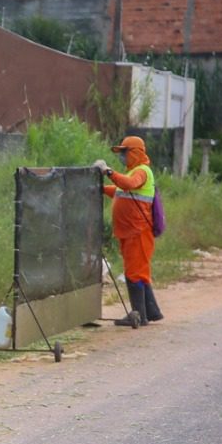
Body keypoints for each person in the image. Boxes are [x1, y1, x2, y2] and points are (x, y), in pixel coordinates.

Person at [95, 135, 163, 326]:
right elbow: (119, 190)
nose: (122, 157)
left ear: (135, 153)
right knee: (138, 272)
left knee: (134, 273)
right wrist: (100, 188)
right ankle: (151, 312)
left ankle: (138, 316)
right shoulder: (131, 173)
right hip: (129, 232)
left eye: (124, 152)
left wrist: (108, 171)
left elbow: (128, 184)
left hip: (138, 232)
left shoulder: (141, 171)